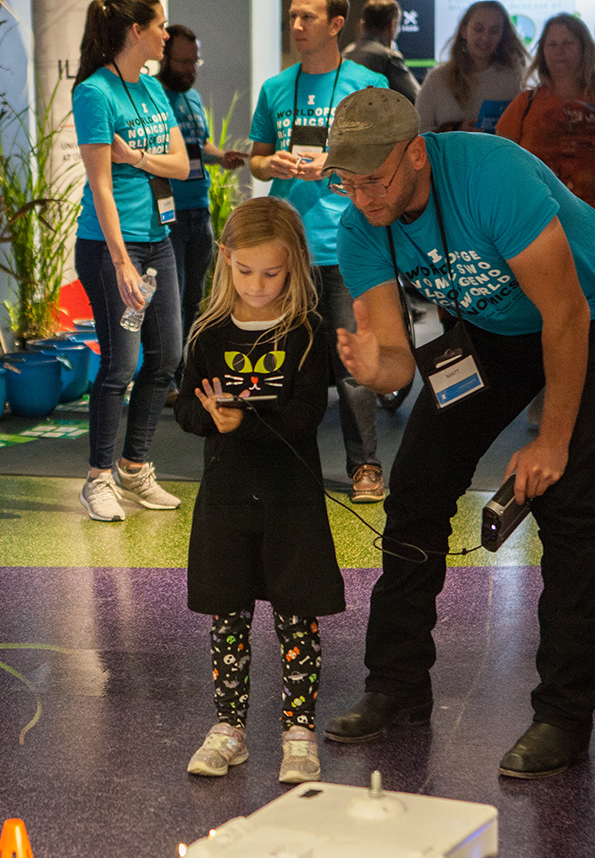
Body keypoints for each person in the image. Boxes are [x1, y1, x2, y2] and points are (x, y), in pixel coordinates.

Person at [321, 89, 595, 779]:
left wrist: (552, 440)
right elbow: (399, 361)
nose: (361, 196)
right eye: (346, 182)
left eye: (373, 179)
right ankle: (397, 685)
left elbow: (565, 313)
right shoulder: (362, 226)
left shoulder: (491, 175)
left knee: (566, 501)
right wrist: (373, 367)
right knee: (415, 487)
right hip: (498, 328)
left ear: (415, 153)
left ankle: (563, 716)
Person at [174, 197, 344, 784]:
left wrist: (246, 420)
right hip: (225, 499)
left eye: (271, 273)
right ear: (225, 261)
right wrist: (210, 420)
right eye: (245, 271)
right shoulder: (207, 332)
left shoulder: (307, 331)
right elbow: (186, 405)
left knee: (298, 619)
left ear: (295, 265)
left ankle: (299, 732)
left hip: (290, 500)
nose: (257, 284)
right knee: (228, 619)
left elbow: (308, 409)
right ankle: (229, 728)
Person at [249, 0, 388, 503]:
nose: (297, 26)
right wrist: (273, 164)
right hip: (285, 246)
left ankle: (365, 466)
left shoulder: (367, 87)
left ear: (336, 24)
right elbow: (257, 160)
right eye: (292, 17)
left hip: (346, 243)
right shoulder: (275, 88)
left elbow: (388, 153)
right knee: (282, 360)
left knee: (352, 364)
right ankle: (283, 461)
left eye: (308, 17)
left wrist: (335, 162)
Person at [72, 0, 189, 523]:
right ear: (135, 30)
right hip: (109, 249)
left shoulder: (154, 89)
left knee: (166, 355)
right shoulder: (94, 93)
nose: (167, 35)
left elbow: (182, 166)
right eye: (161, 26)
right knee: (121, 362)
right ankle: (98, 478)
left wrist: (137, 157)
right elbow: (100, 186)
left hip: (157, 240)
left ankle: (134, 468)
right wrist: (120, 262)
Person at [157, 24, 248, 392]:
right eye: (184, 62)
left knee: (193, 298)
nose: (191, 69)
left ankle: (186, 372)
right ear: (164, 58)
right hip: (169, 215)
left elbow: (201, 145)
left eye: (195, 61)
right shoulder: (154, 98)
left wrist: (221, 156)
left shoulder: (192, 99)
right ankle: (164, 378)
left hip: (199, 209)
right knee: (172, 300)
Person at [496, 14, 595, 229]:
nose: (559, 50)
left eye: (568, 43)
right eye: (552, 44)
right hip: (541, 221)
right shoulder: (524, 104)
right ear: (542, 52)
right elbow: (502, 161)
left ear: (585, 49)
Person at [415, 1, 528, 134]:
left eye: (494, 31)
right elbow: (418, 133)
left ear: (502, 35)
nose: (486, 37)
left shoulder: (514, 79)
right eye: (478, 29)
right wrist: (455, 129)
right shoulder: (437, 79)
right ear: (464, 31)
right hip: (450, 155)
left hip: (498, 154)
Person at [343, 0, 419, 105]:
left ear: (362, 25)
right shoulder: (388, 57)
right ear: (392, 26)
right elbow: (418, 99)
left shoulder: (346, 53)